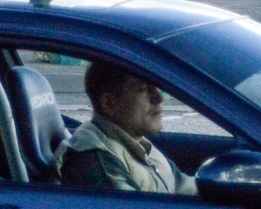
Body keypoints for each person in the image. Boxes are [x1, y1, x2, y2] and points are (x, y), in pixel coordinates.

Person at [61, 62, 194, 196]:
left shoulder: (137, 144)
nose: (159, 98)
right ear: (109, 103)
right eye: (143, 89)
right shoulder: (98, 160)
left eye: (156, 88)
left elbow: (184, 186)